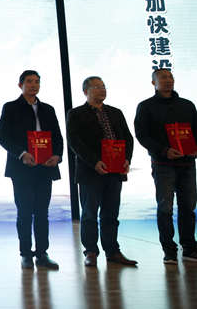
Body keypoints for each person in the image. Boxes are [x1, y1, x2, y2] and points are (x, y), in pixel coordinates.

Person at [66, 76, 137, 267]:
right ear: (86, 92)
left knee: (111, 214)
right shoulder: (76, 113)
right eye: (97, 87)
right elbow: (75, 142)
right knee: (89, 214)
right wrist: (94, 162)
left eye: (103, 86)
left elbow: (127, 138)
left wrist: (127, 159)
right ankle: (91, 252)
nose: (102, 89)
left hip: (115, 171)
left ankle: (113, 252)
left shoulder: (115, 112)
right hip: (91, 172)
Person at [0, 70, 64, 270]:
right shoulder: (11, 107)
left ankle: (42, 253)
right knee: (24, 212)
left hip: (45, 167)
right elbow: (2, 136)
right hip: (22, 168)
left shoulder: (48, 109)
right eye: (29, 82)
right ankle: (26, 253)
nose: (34, 85)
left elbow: (58, 137)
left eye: (37, 82)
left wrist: (57, 156)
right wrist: (22, 154)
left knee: (42, 212)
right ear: (21, 85)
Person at [134, 68, 197, 264]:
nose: (168, 80)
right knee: (165, 207)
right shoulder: (146, 106)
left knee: (188, 207)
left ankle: (190, 248)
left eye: (171, 77)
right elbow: (142, 135)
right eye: (163, 77)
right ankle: (169, 248)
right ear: (154, 82)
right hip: (163, 164)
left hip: (188, 163)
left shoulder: (187, 105)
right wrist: (164, 150)